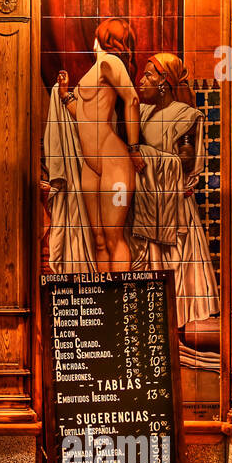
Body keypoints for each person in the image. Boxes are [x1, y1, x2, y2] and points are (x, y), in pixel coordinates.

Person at [128, 53, 220, 331]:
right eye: (142, 74)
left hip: (172, 207)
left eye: (148, 75)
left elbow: (186, 161)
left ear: (164, 82)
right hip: (146, 204)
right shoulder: (141, 112)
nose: (141, 81)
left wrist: (145, 154)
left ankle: (176, 324)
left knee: (176, 265)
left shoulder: (185, 115)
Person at [47, 17, 142, 272]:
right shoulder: (95, 69)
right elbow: (85, 117)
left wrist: (134, 148)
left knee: (113, 238)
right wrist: (66, 94)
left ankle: (121, 306)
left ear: (101, 37)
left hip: (114, 162)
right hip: (91, 165)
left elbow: (132, 99)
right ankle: (103, 306)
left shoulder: (109, 62)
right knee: (98, 241)